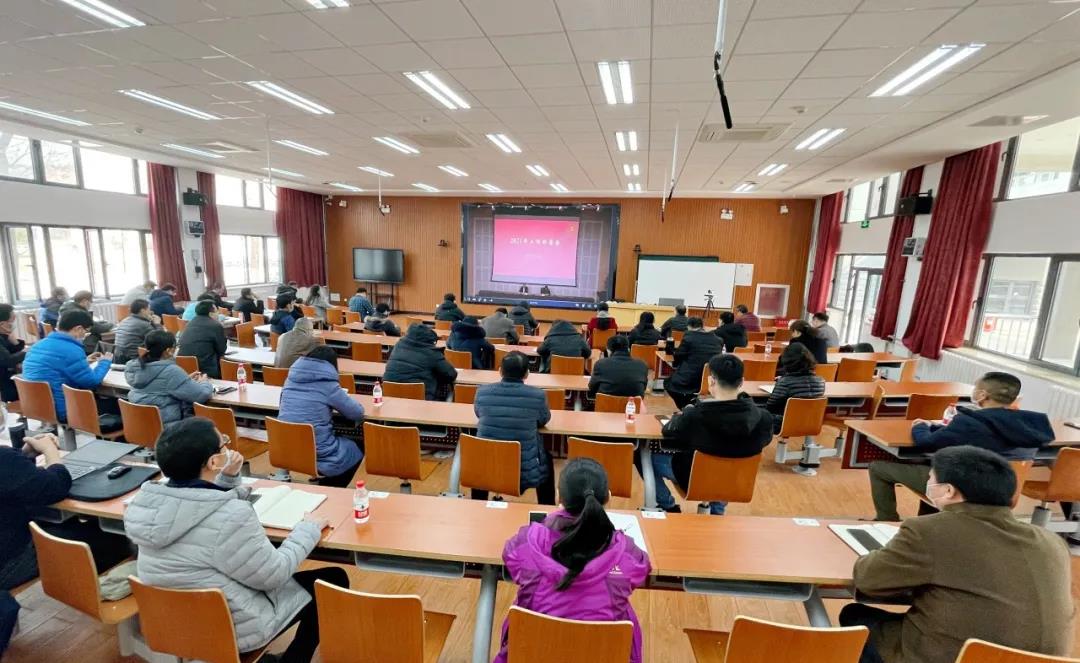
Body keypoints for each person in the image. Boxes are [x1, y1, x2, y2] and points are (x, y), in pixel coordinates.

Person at [124, 418, 350, 663]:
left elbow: (197, 506)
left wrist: (227, 480)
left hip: (176, 624)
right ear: (214, 461)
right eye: (224, 443)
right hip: (232, 628)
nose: (228, 447)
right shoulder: (232, 516)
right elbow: (274, 575)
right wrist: (308, 529)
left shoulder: (146, 506)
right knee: (333, 580)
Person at [840, 446, 1072, 663]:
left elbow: (868, 580)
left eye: (930, 478)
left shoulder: (929, 530)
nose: (927, 483)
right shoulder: (1051, 541)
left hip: (960, 657)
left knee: (855, 616)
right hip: (1043, 660)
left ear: (949, 490)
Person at [494, 458, 651, 663]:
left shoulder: (528, 542)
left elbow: (510, 554)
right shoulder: (625, 552)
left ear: (559, 497)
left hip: (533, 655)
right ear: (608, 497)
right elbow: (643, 566)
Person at [1, 432, 131, 654]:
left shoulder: (6, 460)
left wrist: (24, 456)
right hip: (9, 563)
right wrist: (51, 452)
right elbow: (55, 486)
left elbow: (14, 479)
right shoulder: (4, 459)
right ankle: (117, 603)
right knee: (110, 539)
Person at [868, 372, 1054, 522]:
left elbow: (926, 443)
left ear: (982, 395)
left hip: (964, 491)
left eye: (976, 388)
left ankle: (887, 519)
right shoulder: (1031, 426)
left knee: (879, 468)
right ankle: (930, 524)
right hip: (1004, 493)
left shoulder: (969, 423)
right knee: (936, 469)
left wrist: (920, 426)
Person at [651, 354, 773, 515]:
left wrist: (683, 414)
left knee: (647, 457)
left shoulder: (694, 415)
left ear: (711, 381)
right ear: (742, 382)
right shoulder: (764, 419)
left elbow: (668, 431)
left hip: (695, 481)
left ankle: (668, 505)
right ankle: (718, 511)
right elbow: (763, 441)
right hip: (736, 483)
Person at [473, 352, 553, 503]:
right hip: (524, 470)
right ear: (527, 374)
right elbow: (543, 419)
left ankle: (477, 504)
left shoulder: (482, 392)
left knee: (480, 454)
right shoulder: (538, 395)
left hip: (485, 467)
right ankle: (547, 507)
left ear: (500, 371)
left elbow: (478, 413)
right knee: (546, 458)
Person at [279, 347, 365, 488]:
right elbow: (356, 413)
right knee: (358, 444)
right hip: (319, 453)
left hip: (287, 448)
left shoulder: (290, 380)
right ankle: (330, 487)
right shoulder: (328, 385)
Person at [21, 310, 112, 421]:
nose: (86, 335)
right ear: (78, 329)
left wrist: (84, 361)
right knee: (115, 405)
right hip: (63, 410)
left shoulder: (38, 345)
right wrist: (105, 362)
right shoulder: (72, 350)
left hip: (36, 407)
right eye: (86, 331)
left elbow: (57, 365)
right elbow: (91, 382)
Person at [125, 330, 214, 425]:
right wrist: (204, 382)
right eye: (175, 347)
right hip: (168, 428)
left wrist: (185, 380)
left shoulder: (136, 367)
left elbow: (160, 385)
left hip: (141, 425)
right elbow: (201, 395)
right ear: (168, 351)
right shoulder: (172, 371)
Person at [383, 323, 457, 401]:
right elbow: (451, 374)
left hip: (391, 398)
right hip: (421, 401)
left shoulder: (398, 345)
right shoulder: (432, 352)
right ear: (429, 340)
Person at [666, 316, 723, 410]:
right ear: (702, 326)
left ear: (689, 326)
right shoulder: (718, 340)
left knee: (668, 383)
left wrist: (675, 364)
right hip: (711, 378)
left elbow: (679, 355)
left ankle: (686, 407)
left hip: (691, 378)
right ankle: (691, 404)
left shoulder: (689, 337)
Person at [765, 345, 825, 433]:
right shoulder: (821, 381)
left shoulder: (785, 382)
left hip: (784, 424)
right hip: (811, 423)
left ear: (787, 362)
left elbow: (770, 406)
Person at [177, 300, 227, 379]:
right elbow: (221, 350)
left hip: (185, 368)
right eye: (217, 311)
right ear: (211, 313)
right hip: (205, 370)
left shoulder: (189, 323)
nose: (218, 314)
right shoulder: (215, 325)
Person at [59, 290, 114, 354]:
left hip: (68, 340)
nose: (90, 304)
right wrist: (111, 325)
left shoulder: (68, 307)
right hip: (82, 344)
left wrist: (102, 323)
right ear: (85, 301)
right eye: (90, 302)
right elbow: (95, 328)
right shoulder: (78, 312)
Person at [112, 298, 162, 364]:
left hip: (118, 359)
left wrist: (151, 322)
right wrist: (157, 324)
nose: (151, 312)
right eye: (149, 309)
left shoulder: (124, 320)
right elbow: (160, 340)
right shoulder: (143, 324)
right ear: (143, 311)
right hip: (134, 361)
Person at [0, 305, 26, 404]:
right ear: (2, 324)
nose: (13, 323)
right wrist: (26, 352)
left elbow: (12, 352)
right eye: (12, 320)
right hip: (4, 382)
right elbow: (8, 360)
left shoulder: (3, 336)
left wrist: (16, 343)